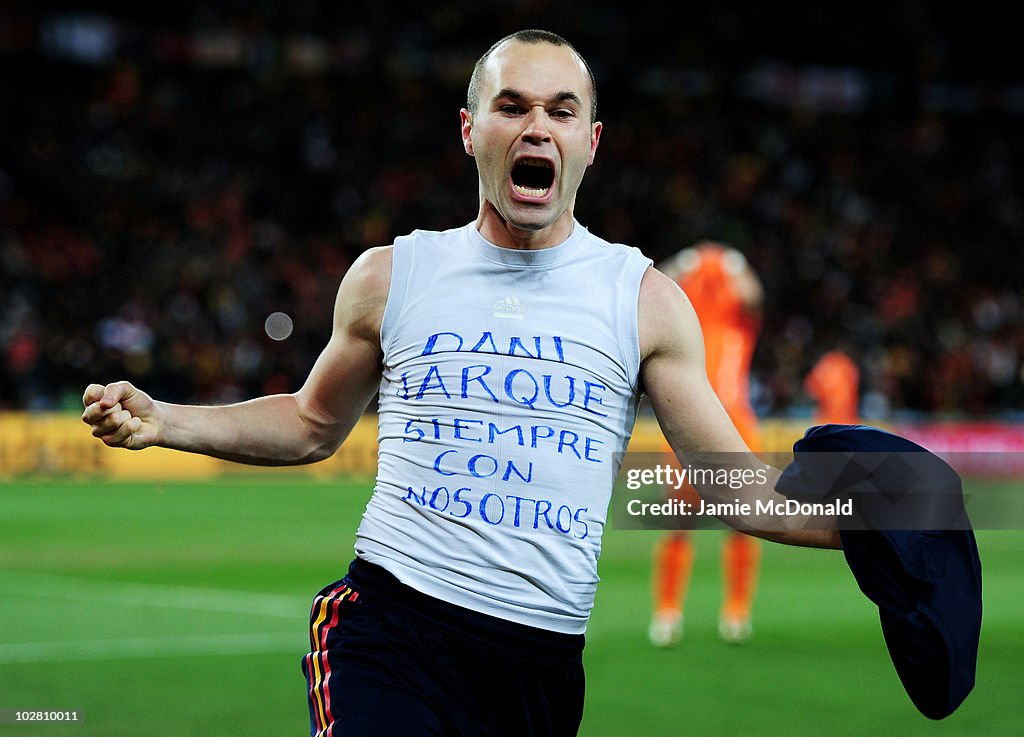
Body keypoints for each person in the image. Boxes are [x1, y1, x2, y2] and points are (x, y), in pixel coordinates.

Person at [82, 29, 839, 737]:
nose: (536, 125)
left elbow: (735, 486)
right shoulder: (392, 275)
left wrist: (888, 516)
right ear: (472, 130)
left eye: (561, 111)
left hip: (540, 668)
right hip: (390, 631)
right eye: (511, 106)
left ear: (590, 143)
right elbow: (312, 423)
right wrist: (165, 420)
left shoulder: (644, 300)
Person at [649, 242, 764, 647]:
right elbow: (652, 286)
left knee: (744, 522)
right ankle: (667, 611)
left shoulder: (742, 317)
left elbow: (753, 294)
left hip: (735, 427)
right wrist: (685, 260)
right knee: (679, 523)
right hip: (684, 424)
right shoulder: (684, 314)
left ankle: (736, 611)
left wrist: (735, 261)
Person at [805, 347, 860, 424]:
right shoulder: (847, 366)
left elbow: (812, 387)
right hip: (845, 416)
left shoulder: (825, 365)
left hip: (828, 416)